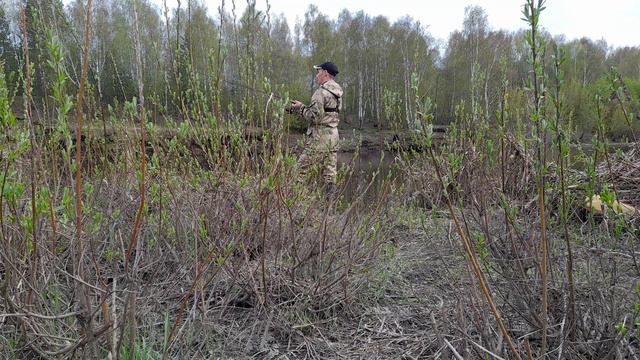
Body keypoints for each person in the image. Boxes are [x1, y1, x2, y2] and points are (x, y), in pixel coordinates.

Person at [290, 61, 343, 198]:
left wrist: (300, 108)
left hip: (319, 139)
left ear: (325, 73)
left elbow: (315, 118)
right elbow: (326, 114)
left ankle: (296, 204)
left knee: (299, 171)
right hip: (333, 138)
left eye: (318, 71)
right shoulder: (338, 93)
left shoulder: (321, 92)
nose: (317, 75)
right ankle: (329, 209)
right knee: (330, 176)